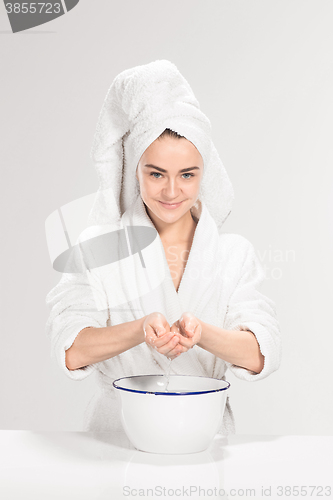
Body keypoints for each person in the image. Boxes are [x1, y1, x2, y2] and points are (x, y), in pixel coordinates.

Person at [45, 60, 281, 437]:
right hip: (115, 437)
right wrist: (139, 330)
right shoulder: (96, 247)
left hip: (205, 438)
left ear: (206, 173)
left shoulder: (233, 255)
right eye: (156, 174)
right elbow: (71, 349)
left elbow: (261, 354)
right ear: (134, 170)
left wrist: (203, 333)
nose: (172, 192)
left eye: (187, 174)